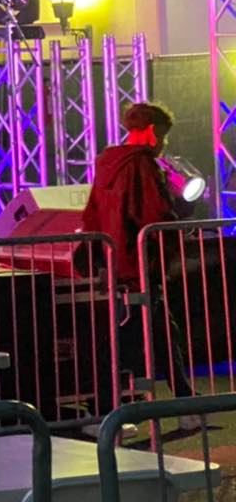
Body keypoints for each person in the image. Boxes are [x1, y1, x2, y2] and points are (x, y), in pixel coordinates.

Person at [80, 102, 198, 435]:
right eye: (162, 136)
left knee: (155, 335)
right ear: (151, 132)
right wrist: (180, 220)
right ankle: (104, 416)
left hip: (117, 263)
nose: (163, 144)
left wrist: (98, 260)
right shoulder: (143, 165)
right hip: (139, 266)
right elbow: (154, 213)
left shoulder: (107, 162)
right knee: (131, 342)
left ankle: (184, 405)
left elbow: (92, 213)